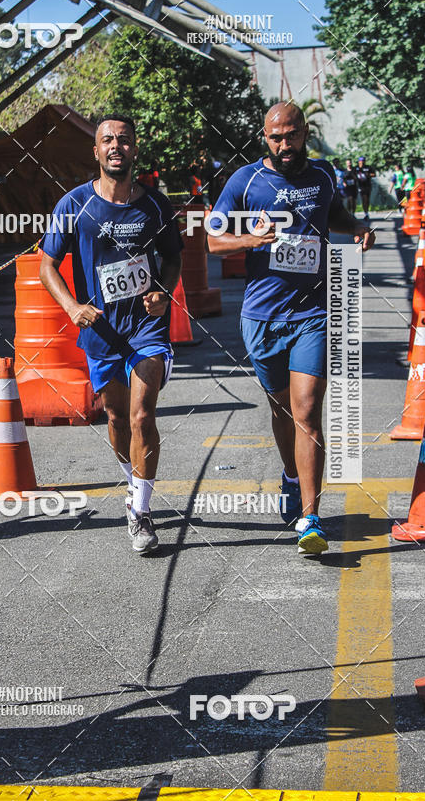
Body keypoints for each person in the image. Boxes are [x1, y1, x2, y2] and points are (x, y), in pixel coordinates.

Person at [207, 102, 375, 555]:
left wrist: (357, 226)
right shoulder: (245, 181)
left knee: (307, 411)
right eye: (276, 137)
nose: (285, 144)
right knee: (281, 410)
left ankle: (310, 517)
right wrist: (250, 239)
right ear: (265, 138)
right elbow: (213, 239)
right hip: (262, 316)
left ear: (305, 132)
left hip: (313, 314)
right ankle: (290, 475)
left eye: (292, 135)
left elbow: (333, 213)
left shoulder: (322, 175)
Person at [39, 115, 183, 554]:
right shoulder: (74, 205)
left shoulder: (155, 205)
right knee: (117, 419)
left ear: (135, 149)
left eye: (123, 139)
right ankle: (132, 484)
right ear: (96, 151)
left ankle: (141, 511)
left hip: (146, 327)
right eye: (107, 140)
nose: (116, 146)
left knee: (141, 416)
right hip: (101, 330)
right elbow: (47, 266)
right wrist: (71, 307)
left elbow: (173, 259)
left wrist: (163, 291)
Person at [355, 156, 376, 220]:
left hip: (367, 186)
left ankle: (366, 213)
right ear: (359, 162)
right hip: (360, 186)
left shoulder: (368, 167)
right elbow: (352, 174)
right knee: (363, 199)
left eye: (363, 161)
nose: (362, 162)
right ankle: (366, 213)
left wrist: (368, 174)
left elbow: (374, 174)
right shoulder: (356, 168)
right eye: (361, 161)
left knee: (367, 199)